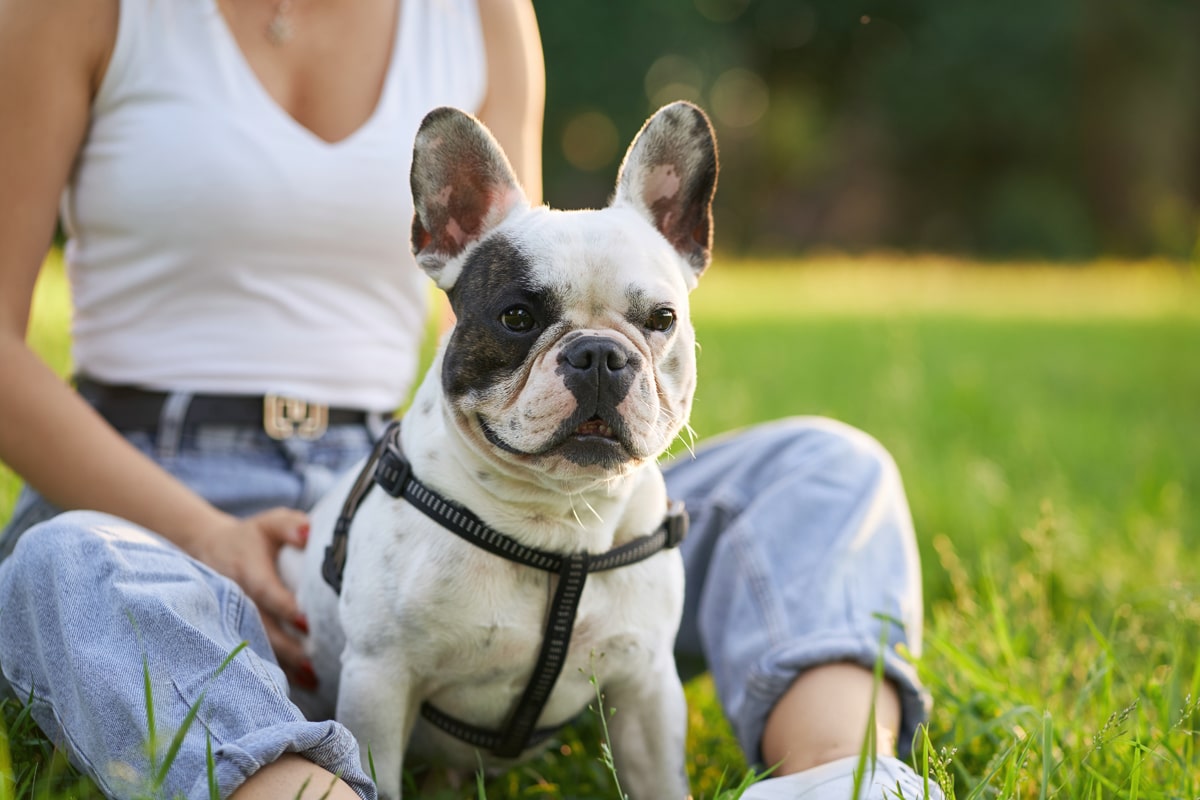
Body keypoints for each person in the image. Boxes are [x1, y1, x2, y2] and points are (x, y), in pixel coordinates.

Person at [0, 1, 943, 798]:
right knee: (69, 566)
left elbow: (526, 283)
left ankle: (836, 773)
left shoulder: (479, 12)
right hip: (152, 483)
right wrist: (203, 534)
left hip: (431, 477)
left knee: (827, 468)